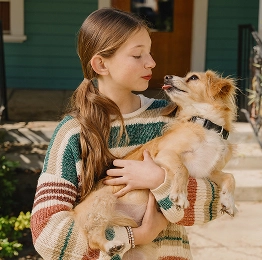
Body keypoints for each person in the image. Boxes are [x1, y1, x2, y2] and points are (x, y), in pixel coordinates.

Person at [31, 7, 222, 260]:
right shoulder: (73, 132)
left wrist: (159, 180)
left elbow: (215, 203)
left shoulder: (172, 118)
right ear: (101, 64)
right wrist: (134, 236)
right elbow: (46, 234)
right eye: (137, 55)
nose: (151, 62)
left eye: (150, 52)